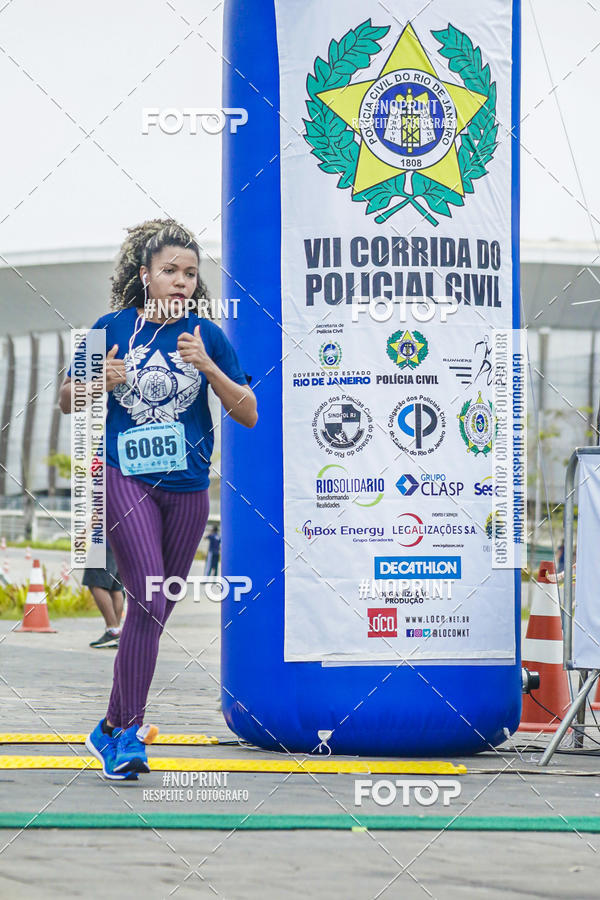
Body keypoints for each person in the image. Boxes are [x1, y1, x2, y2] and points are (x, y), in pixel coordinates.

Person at [59, 219, 257, 780]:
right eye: (169, 271)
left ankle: (109, 727)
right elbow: (67, 400)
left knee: (156, 609)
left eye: (190, 274)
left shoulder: (208, 336)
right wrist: (100, 379)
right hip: (126, 475)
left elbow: (248, 412)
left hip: (188, 488)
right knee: (146, 592)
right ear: (145, 275)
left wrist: (209, 366)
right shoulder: (109, 327)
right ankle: (126, 734)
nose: (181, 282)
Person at [84, 541, 125, 648]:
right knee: (115, 588)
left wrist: (82, 534)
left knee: (96, 585)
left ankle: (113, 631)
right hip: (123, 546)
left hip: (103, 543)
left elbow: (98, 522)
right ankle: (115, 631)